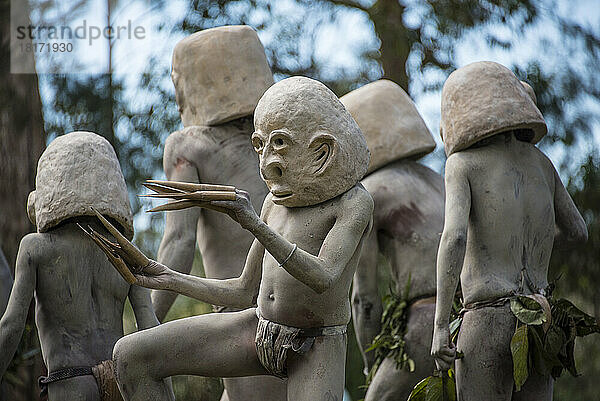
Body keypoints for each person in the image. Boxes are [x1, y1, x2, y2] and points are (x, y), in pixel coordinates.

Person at [92, 77, 374, 401]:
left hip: (316, 347)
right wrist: (168, 278)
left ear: (321, 151)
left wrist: (254, 224)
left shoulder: (353, 203)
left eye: (280, 144)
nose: (267, 163)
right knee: (131, 356)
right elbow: (243, 290)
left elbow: (323, 276)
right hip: (258, 328)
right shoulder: (274, 202)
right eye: (260, 145)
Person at [431, 61, 587, 401]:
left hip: (487, 317)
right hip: (541, 318)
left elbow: (454, 236)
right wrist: (538, 244)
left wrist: (441, 325)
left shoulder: (462, 164)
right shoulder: (543, 163)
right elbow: (578, 231)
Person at [149, 25, 286, 401]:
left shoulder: (189, 145)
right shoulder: (284, 139)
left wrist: (147, 325)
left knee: (134, 359)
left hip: (242, 319)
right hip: (304, 313)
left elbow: (178, 243)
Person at [0, 131, 161, 401]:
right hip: (121, 384)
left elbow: (11, 326)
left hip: (69, 384)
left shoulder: (35, 247)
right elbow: (151, 330)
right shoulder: (128, 253)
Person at [340, 79, 443, 400]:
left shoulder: (370, 194)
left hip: (428, 320)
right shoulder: (440, 181)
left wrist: (373, 363)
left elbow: (364, 298)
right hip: (474, 311)